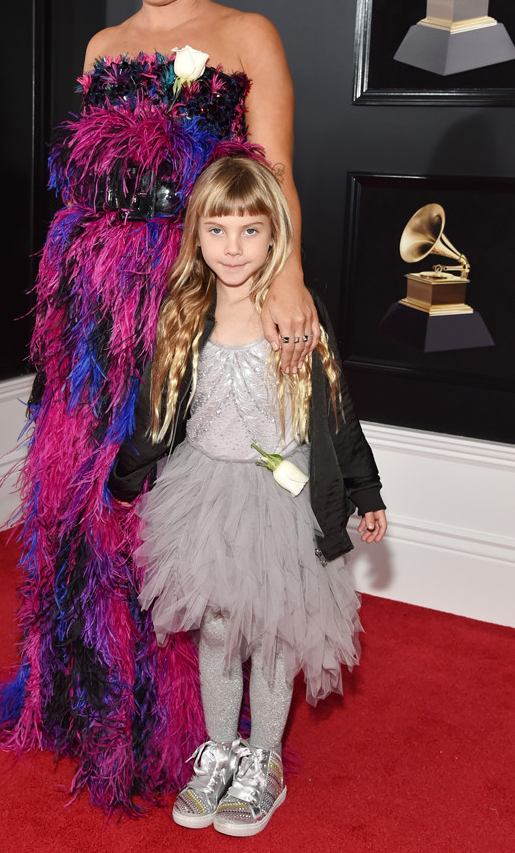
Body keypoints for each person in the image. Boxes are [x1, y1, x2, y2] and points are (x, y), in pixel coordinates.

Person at [0, 0, 320, 811]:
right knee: (95, 504)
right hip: (91, 311)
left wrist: (287, 282)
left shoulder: (249, 33)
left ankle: (202, 731)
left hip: (189, 304)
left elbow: (277, 176)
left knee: (188, 504)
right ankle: (100, 703)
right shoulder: (101, 46)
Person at [108, 155, 387, 836]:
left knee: (273, 630)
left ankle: (264, 761)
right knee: (220, 629)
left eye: (251, 231)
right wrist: (125, 478)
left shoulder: (294, 311)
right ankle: (220, 754)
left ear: (275, 236)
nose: (233, 247)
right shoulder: (184, 312)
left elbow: (336, 411)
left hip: (280, 499)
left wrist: (365, 488)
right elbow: (157, 415)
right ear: (196, 237)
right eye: (217, 230)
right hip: (202, 493)